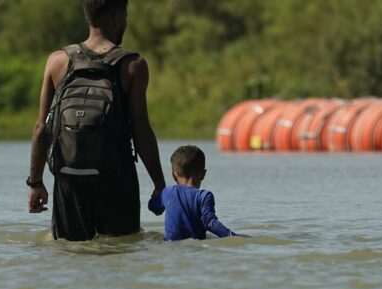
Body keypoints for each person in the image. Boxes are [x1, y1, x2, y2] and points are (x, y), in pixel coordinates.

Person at [26, 0, 165, 241]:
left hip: (68, 179)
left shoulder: (57, 60)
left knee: (70, 251)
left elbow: (41, 128)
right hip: (116, 179)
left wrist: (35, 183)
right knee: (121, 247)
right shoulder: (132, 65)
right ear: (118, 18)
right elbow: (141, 130)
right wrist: (160, 185)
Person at [148, 145, 237, 241]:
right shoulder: (204, 196)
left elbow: (154, 208)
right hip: (196, 249)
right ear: (203, 174)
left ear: (174, 175)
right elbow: (210, 222)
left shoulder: (167, 192)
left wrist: (156, 195)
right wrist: (233, 237)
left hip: (171, 248)